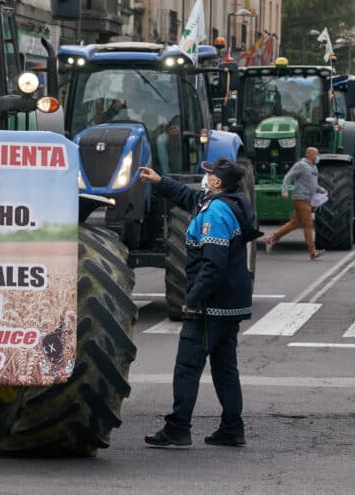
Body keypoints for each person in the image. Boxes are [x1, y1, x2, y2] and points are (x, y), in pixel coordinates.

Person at [140, 157, 261, 449]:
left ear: (217, 183)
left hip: (210, 305)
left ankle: (178, 428)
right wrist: (160, 182)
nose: (204, 177)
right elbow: (190, 196)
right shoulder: (229, 202)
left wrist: (192, 300)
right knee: (225, 367)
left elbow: (213, 266)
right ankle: (232, 428)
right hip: (231, 303)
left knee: (187, 367)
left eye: (208, 174)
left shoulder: (215, 213)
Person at [265, 146, 328, 260]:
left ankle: (271, 239)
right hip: (300, 198)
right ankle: (312, 251)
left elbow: (312, 184)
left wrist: (321, 189)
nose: (317, 157)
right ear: (309, 155)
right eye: (316, 155)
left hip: (307, 199)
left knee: (294, 223)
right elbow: (288, 177)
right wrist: (284, 190)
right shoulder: (301, 165)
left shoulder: (314, 167)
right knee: (308, 225)